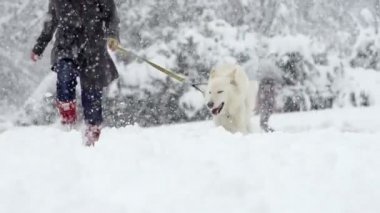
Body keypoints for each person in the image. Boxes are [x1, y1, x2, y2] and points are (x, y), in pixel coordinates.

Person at [31, 0, 120, 146]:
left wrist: (112, 35)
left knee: (92, 94)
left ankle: (92, 132)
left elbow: (112, 17)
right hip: (66, 46)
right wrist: (39, 47)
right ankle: (68, 120)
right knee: (65, 77)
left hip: (94, 48)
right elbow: (50, 22)